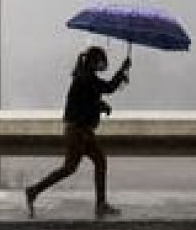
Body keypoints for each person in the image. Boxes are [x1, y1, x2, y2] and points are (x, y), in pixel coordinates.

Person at [24, 45, 131, 218]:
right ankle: (34, 190)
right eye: (101, 61)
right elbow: (107, 88)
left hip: (83, 131)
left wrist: (100, 105)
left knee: (98, 161)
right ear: (94, 61)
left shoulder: (85, 76)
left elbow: (89, 100)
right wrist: (122, 70)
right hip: (78, 132)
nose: (103, 64)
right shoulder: (86, 78)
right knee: (70, 168)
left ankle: (101, 204)